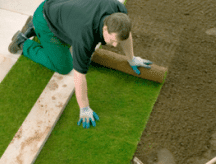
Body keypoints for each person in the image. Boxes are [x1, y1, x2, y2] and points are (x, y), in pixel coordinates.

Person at [8, 0, 153, 129]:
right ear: (105, 29)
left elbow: (125, 36)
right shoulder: (86, 35)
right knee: (63, 66)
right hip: (46, 17)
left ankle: (33, 27)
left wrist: (131, 58)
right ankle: (22, 42)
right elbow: (79, 75)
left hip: (62, 5)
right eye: (112, 40)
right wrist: (84, 107)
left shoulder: (118, 11)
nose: (115, 45)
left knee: (69, 39)